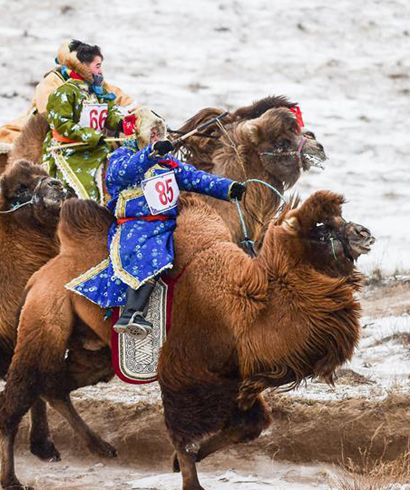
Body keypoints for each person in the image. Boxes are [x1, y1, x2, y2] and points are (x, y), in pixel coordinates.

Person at [66, 107, 246, 339]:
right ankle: (130, 313)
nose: (156, 138)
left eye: (159, 134)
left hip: (167, 224)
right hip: (138, 225)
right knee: (152, 254)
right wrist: (149, 153)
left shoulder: (167, 163)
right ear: (140, 134)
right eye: (152, 134)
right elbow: (121, 175)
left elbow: (195, 177)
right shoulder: (121, 156)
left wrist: (228, 188)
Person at [41, 41, 135, 204]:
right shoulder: (64, 93)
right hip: (71, 151)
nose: (101, 71)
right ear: (83, 66)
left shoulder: (99, 92)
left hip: (98, 148)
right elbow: (62, 125)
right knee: (88, 193)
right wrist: (91, 135)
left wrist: (121, 123)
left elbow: (110, 113)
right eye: (97, 66)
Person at [0, 40, 133, 145]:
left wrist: (135, 116)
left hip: (90, 134)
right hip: (50, 131)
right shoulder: (53, 83)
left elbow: (119, 98)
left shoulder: (96, 84)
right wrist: (85, 131)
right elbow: (52, 117)